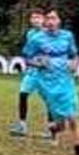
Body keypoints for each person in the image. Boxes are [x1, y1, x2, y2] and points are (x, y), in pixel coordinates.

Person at [22, 8, 79, 155]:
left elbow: (75, 55)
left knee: (73, 117)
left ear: (59, 21)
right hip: (47, 84)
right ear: (44, 22)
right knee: (61, 124)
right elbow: (26, 58)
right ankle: (53, 127)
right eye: (48, 19)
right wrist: (38, 63)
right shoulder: (36, 38)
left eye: (54, 18)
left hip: (66, 82)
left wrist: (74, 64)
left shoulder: (67, 36)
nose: (51, 21)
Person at [9, 9, 50, 138]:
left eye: (38, 17)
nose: (35, 20)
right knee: (23, 95)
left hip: (45, 73)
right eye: (33, 18)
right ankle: (22, 125)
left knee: (49, 101)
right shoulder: (30, 33)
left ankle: (51, 129)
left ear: (43, 19)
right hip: (32, 72)